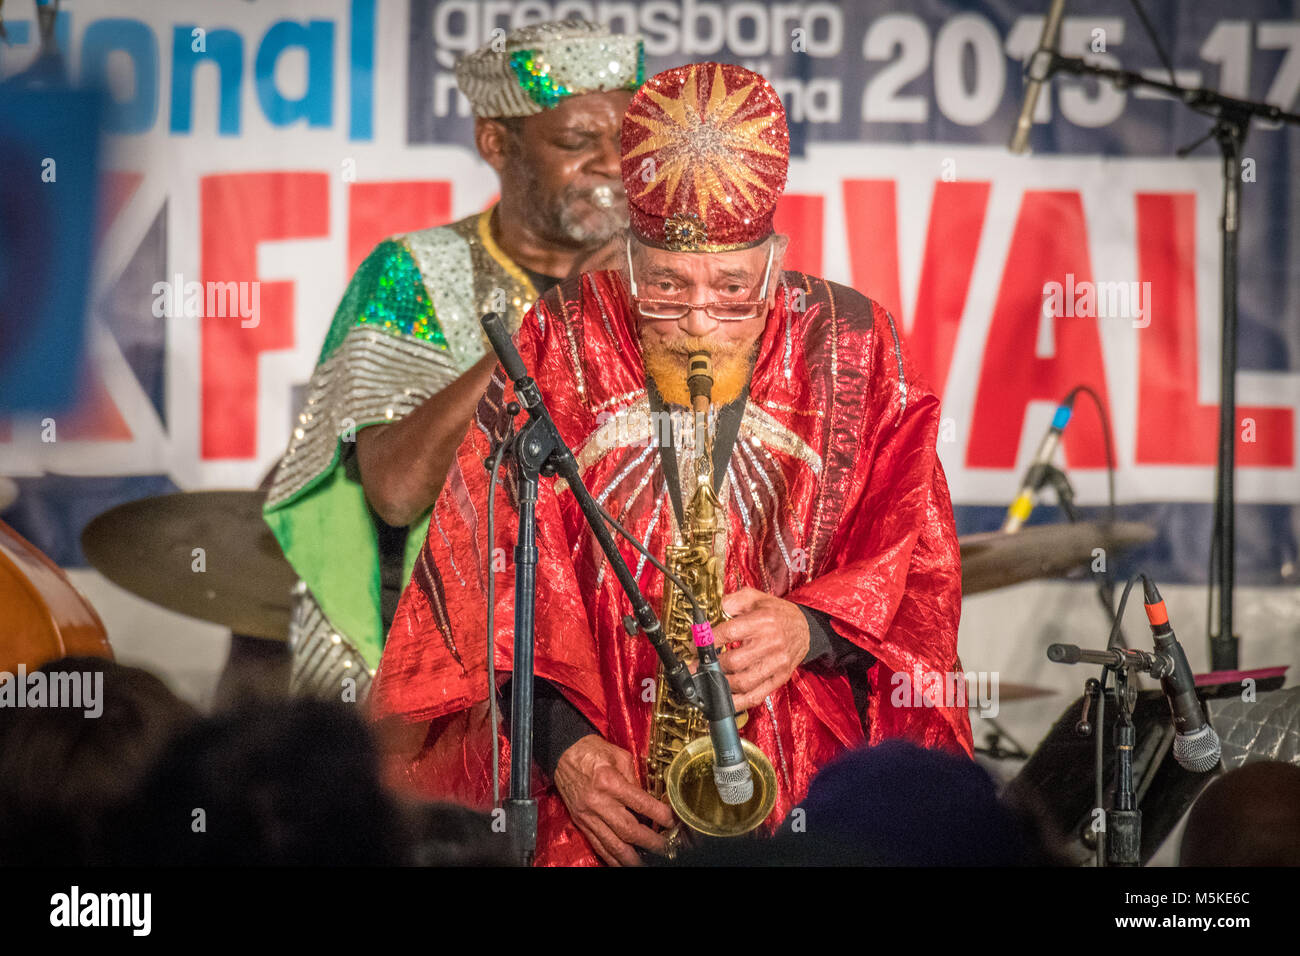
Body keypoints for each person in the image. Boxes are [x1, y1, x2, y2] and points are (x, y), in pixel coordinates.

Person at [371, 62, 973, 866]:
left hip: (801, 782)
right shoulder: (562, 334)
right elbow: (477, 583)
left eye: (731, 288)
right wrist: (565, 751)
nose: (696, 319)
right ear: (626, 254)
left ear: (773, 257)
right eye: (663, 285)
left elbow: (920, 574)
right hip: (602, 793)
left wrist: (810, 627)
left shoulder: (854, 339)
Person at [261, 20, 643, 699]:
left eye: (626, 137)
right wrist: (556, 318)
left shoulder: (664, 282)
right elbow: (398, 489)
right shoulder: (415, 272)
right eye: (576, 141)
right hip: (450, 665)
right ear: (496, 142)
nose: (613, 163)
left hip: (615, 664)